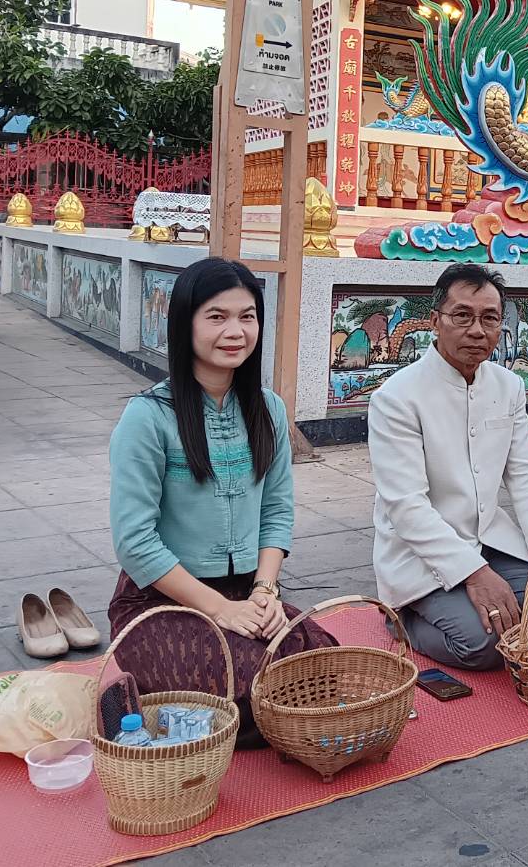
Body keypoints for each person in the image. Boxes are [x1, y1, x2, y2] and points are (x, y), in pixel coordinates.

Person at [108, 257, 336, 749]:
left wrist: (265, 592)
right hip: (160, 602)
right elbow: (135, 542)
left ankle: (177, 704)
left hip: (244, 591)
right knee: (256, 685)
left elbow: (276, 510)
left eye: (247, 316)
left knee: (323, 661)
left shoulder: (268, 409)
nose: (235, 331)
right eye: (217, 316)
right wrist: (219, 610)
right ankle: (139, 695)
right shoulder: (147, 418)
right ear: (184, 322)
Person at [368, 265, 528, 670]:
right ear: (435, 321)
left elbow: (526, 477)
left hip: (492, 538)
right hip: (419, 551)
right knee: (484, 643)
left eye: (489, 318)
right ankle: (400, 616)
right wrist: (475, 574)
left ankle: (493, 589)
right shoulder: (396, 398)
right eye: (462, 316)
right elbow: (406, 506)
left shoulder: (508, 387)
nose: (477, 330)